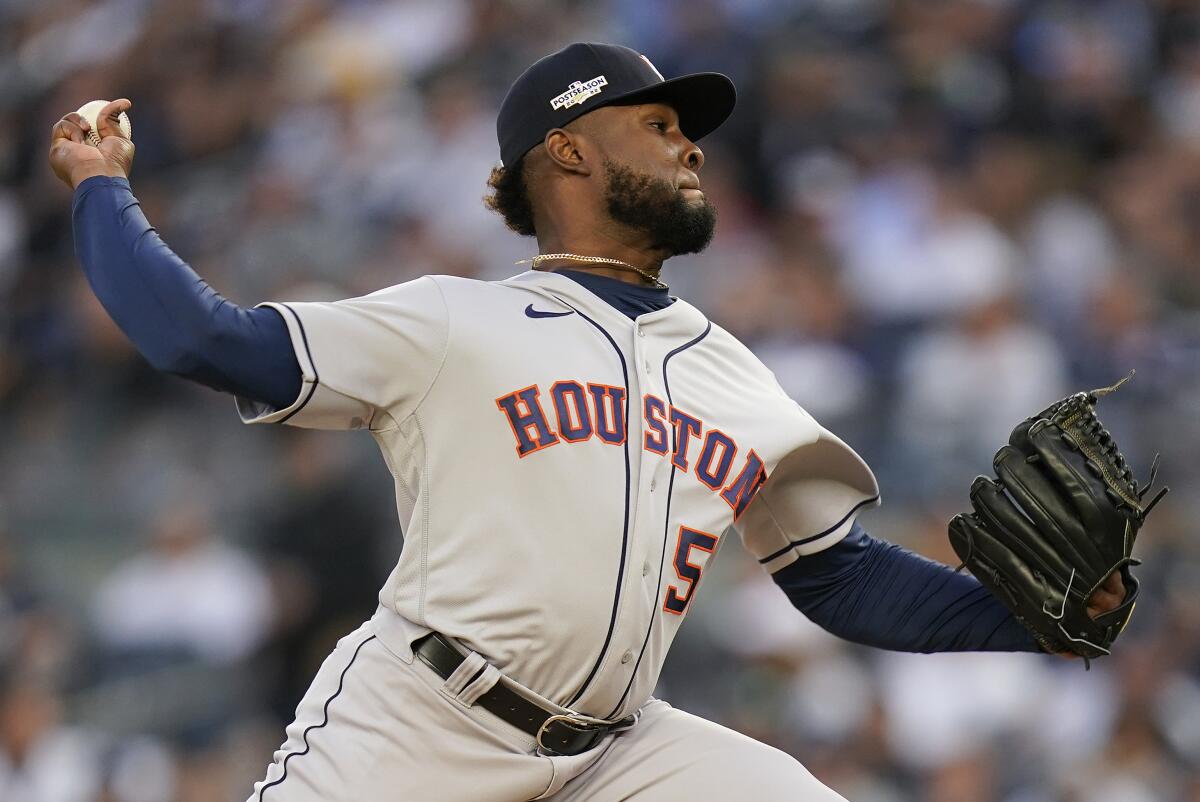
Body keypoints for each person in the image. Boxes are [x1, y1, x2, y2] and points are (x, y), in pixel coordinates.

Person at [48, 43, 1127, 802]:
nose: (690, 146)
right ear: (566, 151)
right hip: (421, 724)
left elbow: (835, 574)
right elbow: (206, 341)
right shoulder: (450, 319)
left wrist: (1035, 614)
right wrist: (102, 186)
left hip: (622, 752)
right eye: (657, 125)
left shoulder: (735, 373)